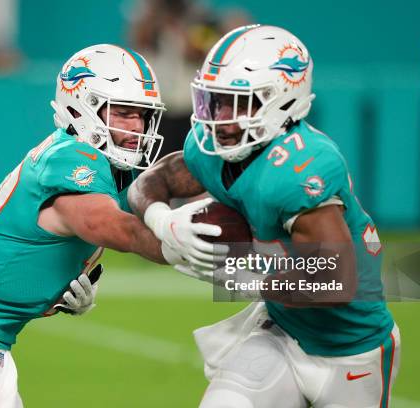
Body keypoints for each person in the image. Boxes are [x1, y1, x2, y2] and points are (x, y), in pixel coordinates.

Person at [0, 44, 219, 408]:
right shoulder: (70, 155)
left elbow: (158, 181)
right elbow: (111, 226)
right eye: (124, 113)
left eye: (142, 114)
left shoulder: (113, 169)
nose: (136, 126)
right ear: (80, 107)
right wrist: (172, 229)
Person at [128, 25, 400, 407]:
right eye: (216, 101)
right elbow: (152, 181)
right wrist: (163, 220)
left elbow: (337, 280)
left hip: (351, 347)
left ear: (282, 100)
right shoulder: (212, 152)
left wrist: (242, 272)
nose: (220, 118)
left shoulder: (300, 167)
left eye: (237, 103)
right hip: (281, 331)